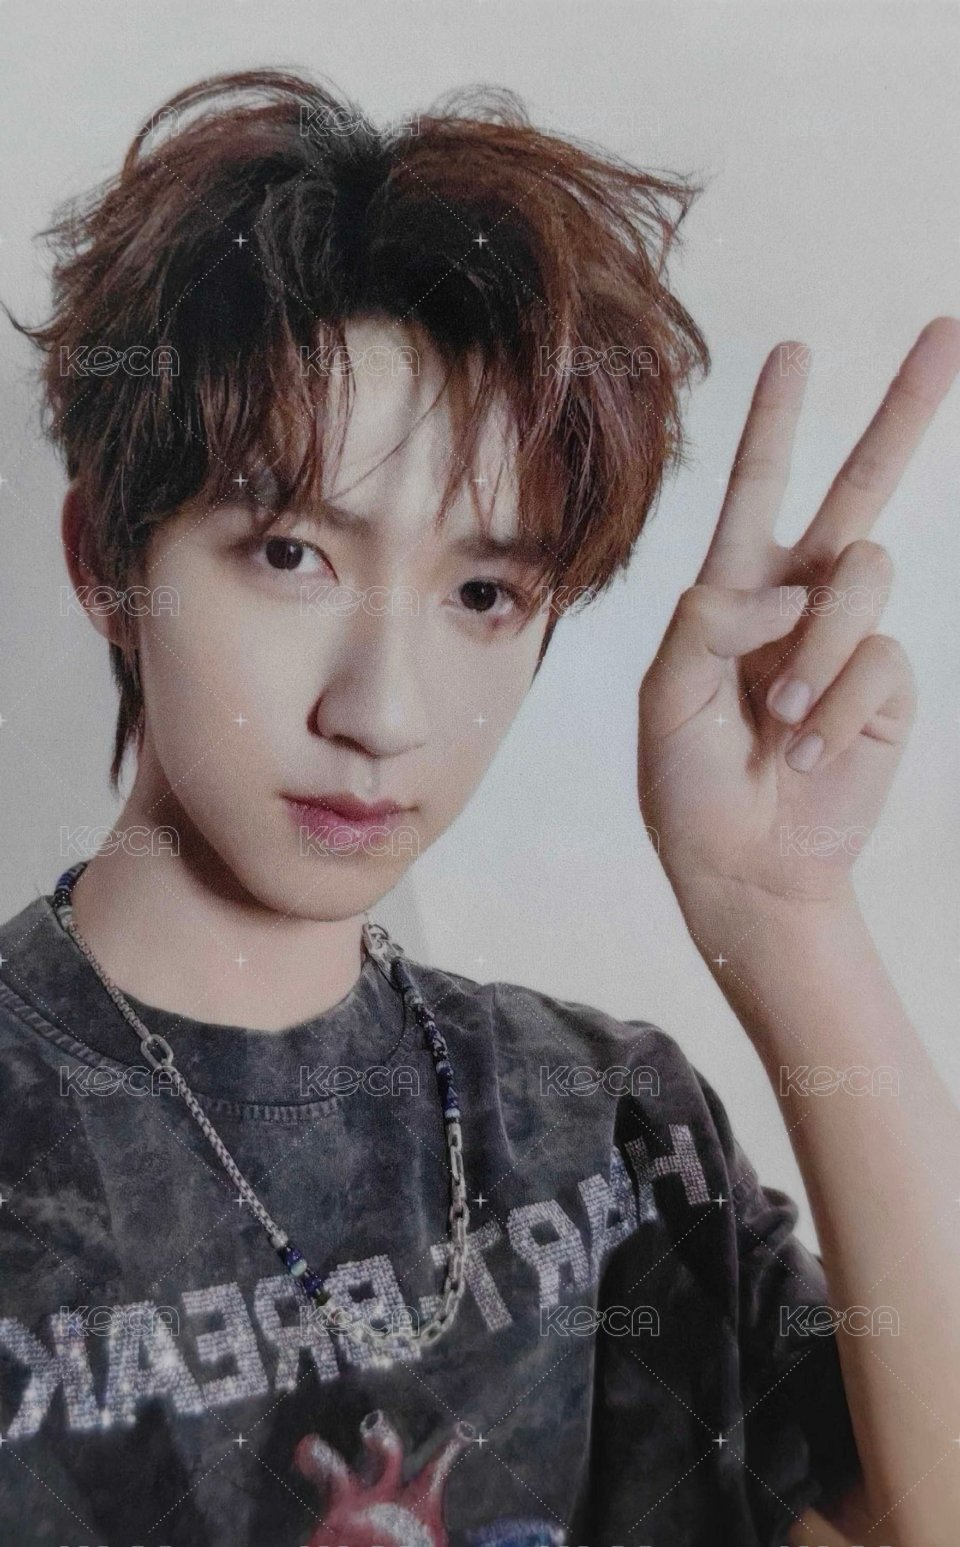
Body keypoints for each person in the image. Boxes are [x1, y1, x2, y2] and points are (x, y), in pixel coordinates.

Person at [0, 65, 957, 1547]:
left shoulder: (609, 1129)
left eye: (484, 593)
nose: (383, 712)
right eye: (292, 554)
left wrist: (790, 918)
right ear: (109, 565)